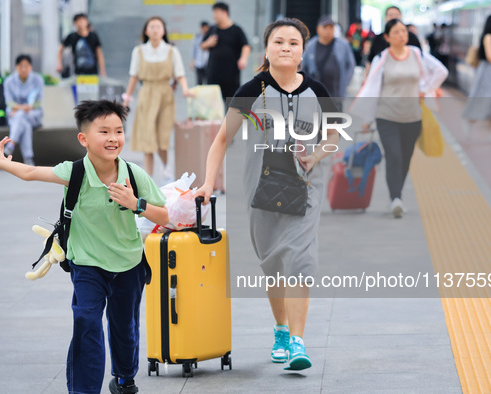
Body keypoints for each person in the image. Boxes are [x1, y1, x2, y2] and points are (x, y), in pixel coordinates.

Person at [0, 99, 169, 394]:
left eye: (118, 131)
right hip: (87, 265)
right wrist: (3, 161)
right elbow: (31, 172)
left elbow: (164, 216)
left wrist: (135, 203)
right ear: (84, 139)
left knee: (124, 330)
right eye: (104, 132)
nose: (113, 138)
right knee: (86, 321)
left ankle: (125, 379)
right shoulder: (74, 172)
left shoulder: (133, 175)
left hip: (128, 265)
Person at [196, 18, 340, 371]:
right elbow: (221, 142)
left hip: (305, 187)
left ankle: (297, 340)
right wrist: (207, 182)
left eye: (293, 43)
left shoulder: (318, 91)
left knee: (300, 262)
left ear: (303, 52)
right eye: (279, 42)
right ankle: (280, 329)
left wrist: (315, 156)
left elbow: (334, 136)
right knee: (274, 264)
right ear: (267, 49)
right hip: (260, 189)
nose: (286, 47)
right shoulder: (252, 89)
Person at [351, 19, 448, 218]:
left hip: (413, 117)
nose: (401, 35)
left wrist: (425, 89)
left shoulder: (417, 54)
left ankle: (398, 195)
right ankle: (395, 198)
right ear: (387, 37)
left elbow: (441, 71)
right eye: (396, 32)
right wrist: (368, 118)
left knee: (405, 158)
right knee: (394, 156)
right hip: (387, 116)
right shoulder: (382, 57)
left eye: (403, 31)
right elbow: (372, 87)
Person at [123, 16, 192, 180]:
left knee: (163, 137)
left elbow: (180, 74)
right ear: (146, 31)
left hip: (165, 96)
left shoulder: (171, 51)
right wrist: (127, 98)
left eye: (158, 27)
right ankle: (149, 175)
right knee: (147, 137)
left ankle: (166, 167)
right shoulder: (138, 51)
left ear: (163, 31)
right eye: (151, 26)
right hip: (146, 94)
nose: (155, 29)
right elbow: (133, 76)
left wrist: (185, 89)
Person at [462, 15, 491, 142]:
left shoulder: (487, 36)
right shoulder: (488, 36)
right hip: (486, 71)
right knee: (487, 98)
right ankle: (470, 120)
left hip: (488, 70)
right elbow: (489, 56)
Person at [201, 2, 251, 101]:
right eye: (214, 13)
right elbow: (202, 46)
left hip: (231, 75)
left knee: (232, 103)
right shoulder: (212, 29)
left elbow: (246, 46)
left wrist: (244, 59)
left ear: (225, 13)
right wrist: (208, 43)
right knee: (212, 104)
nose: (214, 16)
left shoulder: (236, 30)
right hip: (213, 73)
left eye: (216, 13)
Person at [302, 15, 356, 103]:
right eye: (325, 27)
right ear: (318, 29)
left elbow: (350, 65)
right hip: (316, 94)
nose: (328, 31)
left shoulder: (343, 45)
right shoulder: (310, 46)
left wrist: (344, 82)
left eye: (331, 27)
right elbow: (303, 67)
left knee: (335, 115)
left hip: (336, 93)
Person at [2, 54, 44, 166]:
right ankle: (28, 159)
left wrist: (20, 109)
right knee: (24, 123)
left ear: (31, 67)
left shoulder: (37, 80)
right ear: (16, 67)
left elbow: (37, 102)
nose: (24, 69)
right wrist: (22, 108)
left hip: (33, 114)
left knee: (21, 116)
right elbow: (9, 102)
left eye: (27, 66)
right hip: (15, 115)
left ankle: (11, 144)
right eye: (21, 66)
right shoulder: (9, 81)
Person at [364, 6, 421, 80]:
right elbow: (370, 60)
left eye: (396, 15)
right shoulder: (378, 39)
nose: (401, 36)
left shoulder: (412, 38)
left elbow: (421, 59)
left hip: (408, 79)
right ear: (387, 38)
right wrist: (366, 78)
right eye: (390, 15)